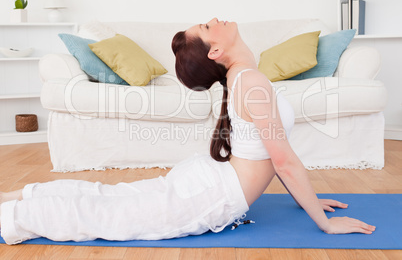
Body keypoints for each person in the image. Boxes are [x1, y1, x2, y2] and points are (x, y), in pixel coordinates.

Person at [0, 18, 375, 245]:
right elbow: (283, 159)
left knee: (108, 199)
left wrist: (306, 198)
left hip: (209, 184)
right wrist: (323, 222)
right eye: (208, 27)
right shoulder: (250, 80)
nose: (215, 20)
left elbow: (272, 155)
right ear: (215, 51)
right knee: (107, 215)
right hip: (209, 195)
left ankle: (22, 195)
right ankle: (13, 214)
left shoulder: (244, 78)